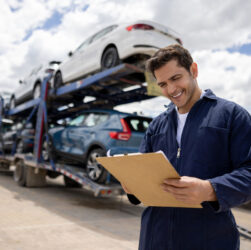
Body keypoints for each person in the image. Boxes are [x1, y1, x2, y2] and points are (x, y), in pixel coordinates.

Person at [122, 44, 251, 250]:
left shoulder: (232, 116)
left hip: (211, 241)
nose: (171, 89)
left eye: (176, 78)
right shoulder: (156, 125)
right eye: (163, 84)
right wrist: (133, 187)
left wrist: (210, 190)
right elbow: (144, 177)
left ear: (194, 70)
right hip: (155, 239)